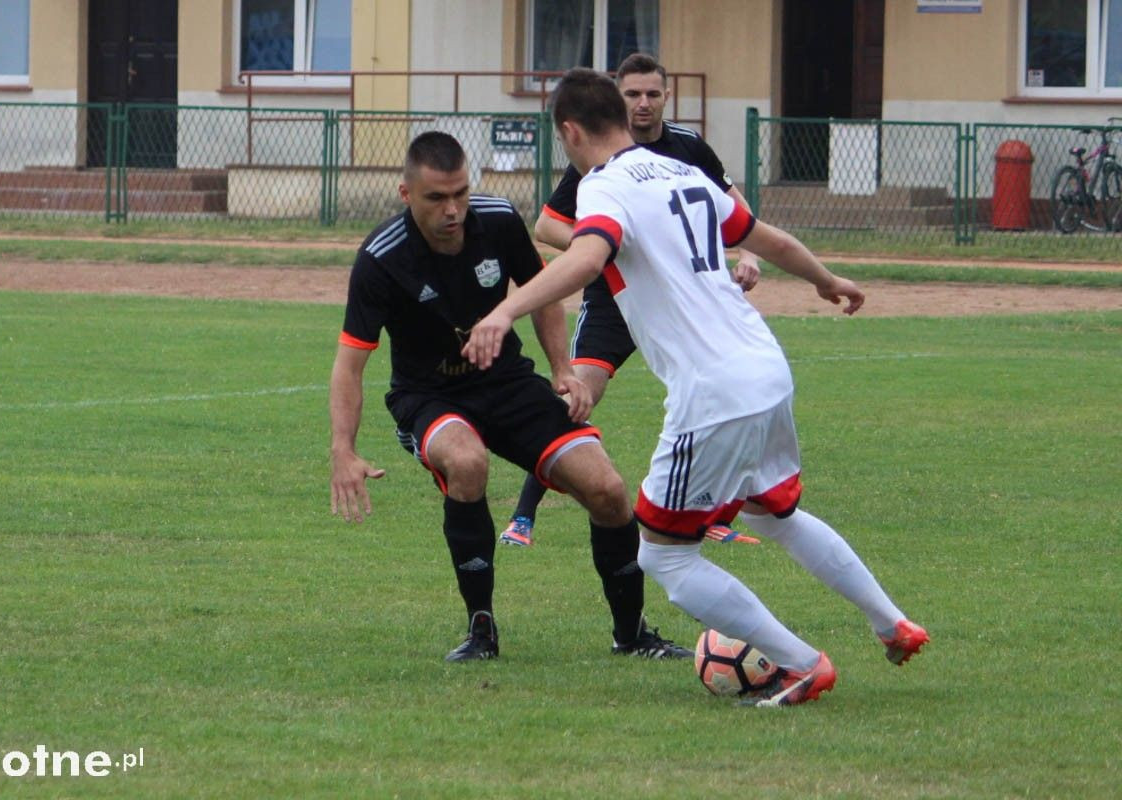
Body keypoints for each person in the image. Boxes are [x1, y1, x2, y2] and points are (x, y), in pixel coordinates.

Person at [464, 69, 929, 706]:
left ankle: (801, 663)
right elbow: (771, 239)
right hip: (765, 367)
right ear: (623, 117)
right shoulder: (683, 172)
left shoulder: (604, 186)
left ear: (569, 132)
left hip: (713, 392)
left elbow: (586, 257)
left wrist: (503, 311)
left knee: (665, 558)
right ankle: (893, 622)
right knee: (777, 514)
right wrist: (827, 281)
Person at [329, 130, 691, 663]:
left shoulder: (497, 220)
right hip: (429, 397)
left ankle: (632, 635)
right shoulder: (382, 259)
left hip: (508, 384)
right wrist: (344, 450)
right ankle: (482, 630)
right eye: (436, 198)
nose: (453, 209)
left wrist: (562, 370)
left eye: (460, 193)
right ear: (407, 195)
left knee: (609, 489)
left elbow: (542, 294)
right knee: (467, 463)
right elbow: (351, 362)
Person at [500, 53, 760, 548]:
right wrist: (609, 241)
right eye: (632, 94)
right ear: (616, 100)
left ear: (667, 97)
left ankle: (714, 512)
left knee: (718, 394)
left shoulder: (686, 147)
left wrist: (746, 250)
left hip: (681, 301)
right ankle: (524, 515)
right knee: (575, 396)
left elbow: (733, 204)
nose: (643, 103)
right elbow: (547, 223)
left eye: (652, 94)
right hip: (613, 302)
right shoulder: (600, 155)